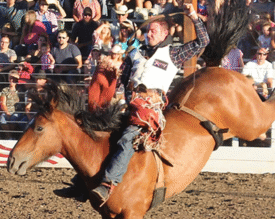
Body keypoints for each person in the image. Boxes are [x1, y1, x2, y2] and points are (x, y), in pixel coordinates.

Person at [89, 3, 210, 205]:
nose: (148, 34)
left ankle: (108, 183)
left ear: (164, 33)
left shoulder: (173, 54)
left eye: (153, 31)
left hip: (151, 111)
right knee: (96, 129)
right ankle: (81, 182)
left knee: (128, 138)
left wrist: (193, 15)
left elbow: (203, 41)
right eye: (147, 31)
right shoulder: (134, 54)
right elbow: (124, 82)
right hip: (130, 105)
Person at [0, 70, 22, 140]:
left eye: (14, 79)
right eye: (10, 78)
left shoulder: (20, 90)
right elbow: (3, 103)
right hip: (8, 110)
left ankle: (11, 136)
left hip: (17, 111)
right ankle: (10, 137)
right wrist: (7, 112)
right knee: (2, 119)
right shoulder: (5, 90)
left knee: (14, 118)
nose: (12, 80)